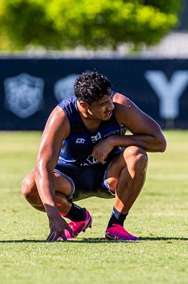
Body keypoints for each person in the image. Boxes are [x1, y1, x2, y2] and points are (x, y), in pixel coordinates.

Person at [21, 70, 166, 241]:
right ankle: (78, 217)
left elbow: (159, 143)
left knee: (137, 155)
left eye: (110, 99)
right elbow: (43, 167)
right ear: (83, 105)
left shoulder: (120, 106)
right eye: (104, 104)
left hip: (109, 175)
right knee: (30, 186)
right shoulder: (62, 116)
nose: (111, 107)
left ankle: (116, 225)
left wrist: (114, 140)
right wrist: (54, 217)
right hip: (70, 178)